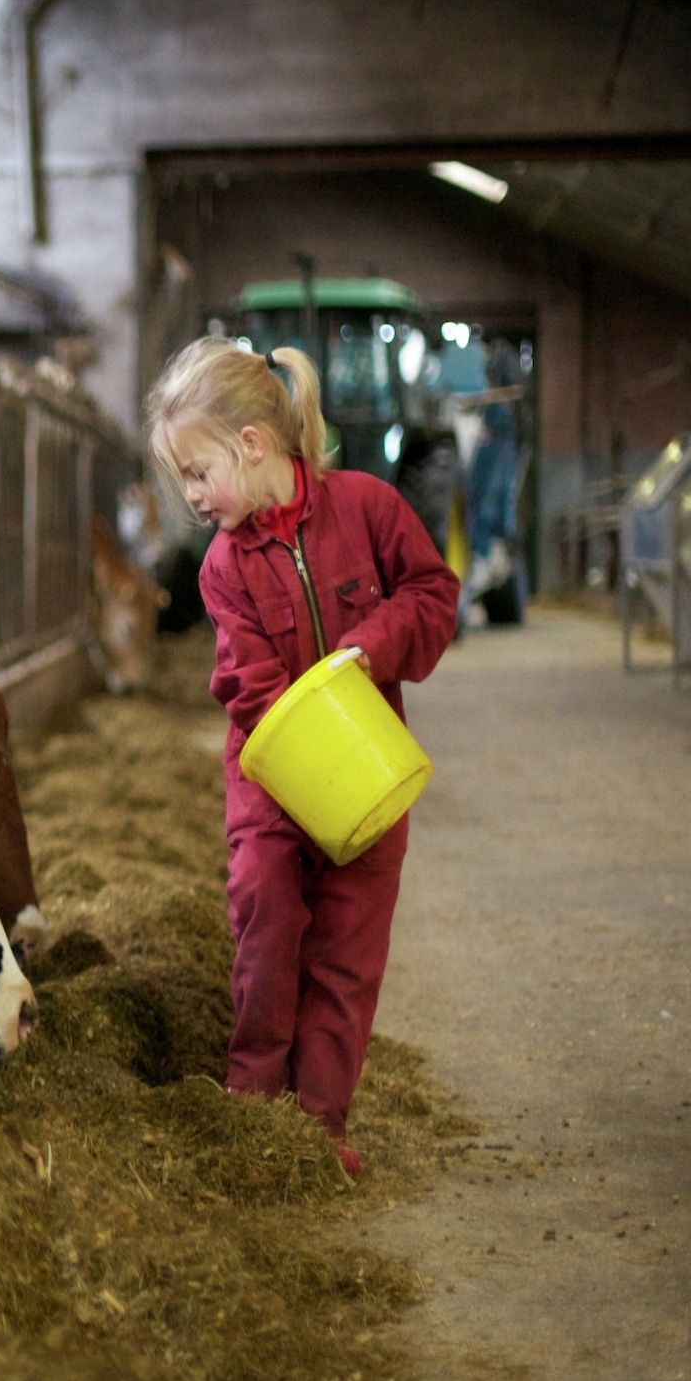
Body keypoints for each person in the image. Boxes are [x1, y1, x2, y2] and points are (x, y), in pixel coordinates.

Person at [145, 337, 459, 1174]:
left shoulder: (369, 508)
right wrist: (291, 730)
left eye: (197, 471)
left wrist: (372, 646)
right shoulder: (222, 568)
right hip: (275, 787)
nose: (191, 495)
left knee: (348, 953)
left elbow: (433, 595)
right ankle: (252, 1114)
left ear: (251, 446)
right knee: (267, 923)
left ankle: (317, 1136)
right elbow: (244, 683)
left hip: (366, 776)